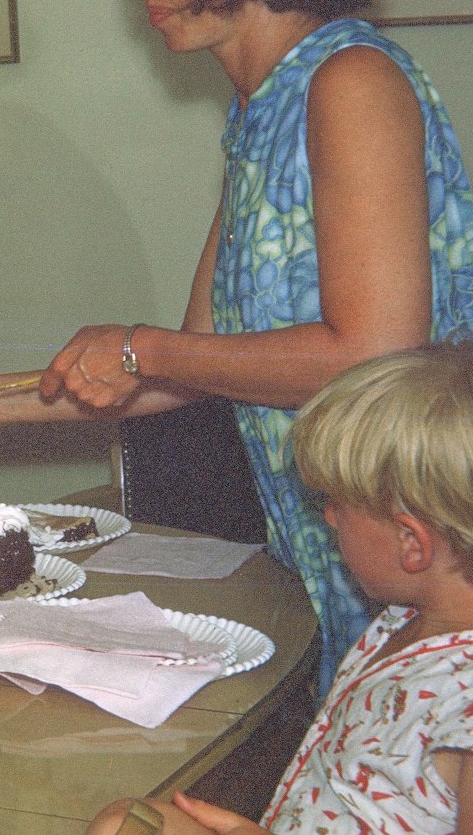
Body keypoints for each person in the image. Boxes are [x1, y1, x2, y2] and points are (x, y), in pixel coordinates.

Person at [0, 0, 473, 695]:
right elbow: (189, 370)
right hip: (351, 581)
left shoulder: (350, 82)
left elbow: (375, 355)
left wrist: (140, 345)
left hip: (431, 584)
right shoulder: (261, 114)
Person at [85, 344, 473, 834]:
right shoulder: (405, 619)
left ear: (411, 542)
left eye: (337, 503)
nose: (328, 517)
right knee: (128, 823)